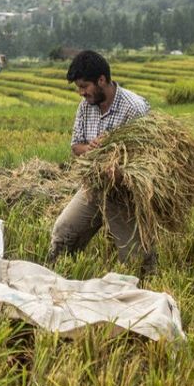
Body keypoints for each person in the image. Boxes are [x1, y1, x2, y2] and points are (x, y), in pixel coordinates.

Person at [47, 50, 154, 270]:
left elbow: (148, 158)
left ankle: (145, 287)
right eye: (78, 87)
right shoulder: (86, 106)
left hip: (125, 192)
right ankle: (56, 275)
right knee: (63, 231)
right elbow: (76, 146)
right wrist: (91, 148)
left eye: (84, 87)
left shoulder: (134, 108)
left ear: (101, 80)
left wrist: (120, 170)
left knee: (136, 260)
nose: (81, 93)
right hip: (95, 185)